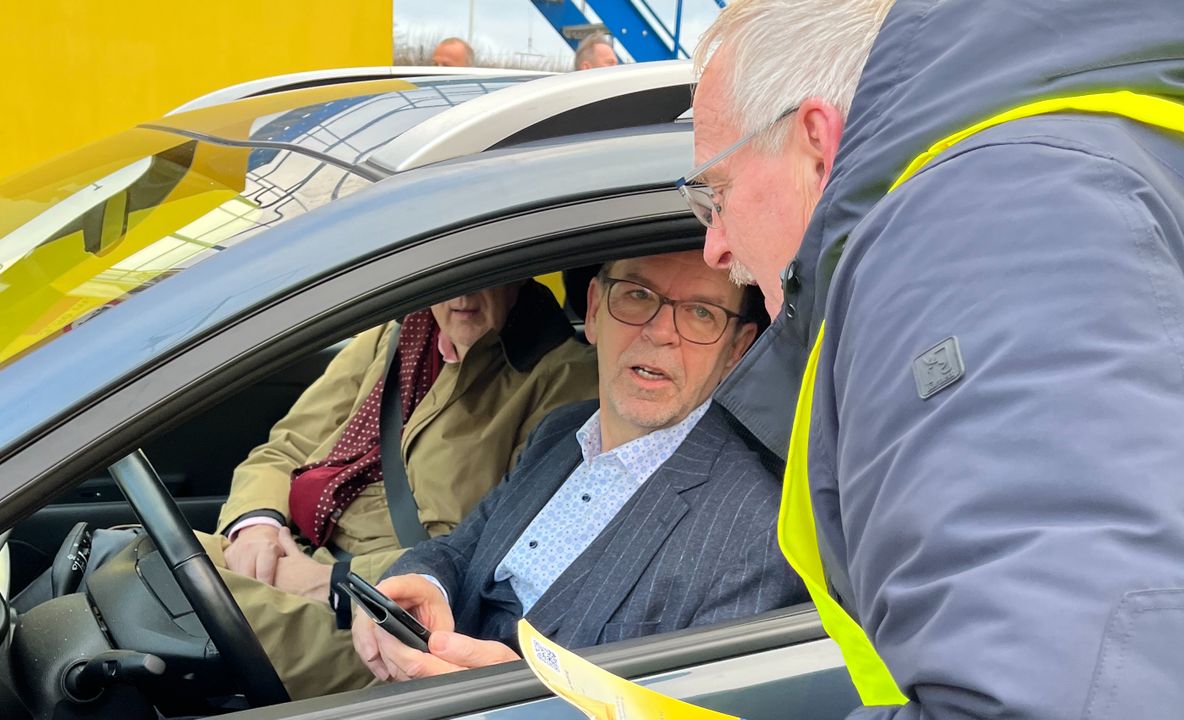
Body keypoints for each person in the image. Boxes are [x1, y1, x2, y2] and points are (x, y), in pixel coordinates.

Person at [686, 0, 1184, 718]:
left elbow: (1071, 698)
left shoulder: (986, 229)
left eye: (718, 195)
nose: (716, 246)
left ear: (817, 145)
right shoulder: (1063, 173)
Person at [295, 250, 808, 681]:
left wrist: (511, 697)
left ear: (737, 350)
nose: (660, 332)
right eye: (636, 295)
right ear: (594, 311)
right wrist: (419, 583)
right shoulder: (560, 433)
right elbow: (460, 547)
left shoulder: (760, 531)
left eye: (701, 313)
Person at [203, 279, 595, 697]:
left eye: (481, 279)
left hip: (385, 611)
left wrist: (330, 581)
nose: (461, 297)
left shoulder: (563, 377)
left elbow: (495, 544)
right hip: (295, 546)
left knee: (157, 601)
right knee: (138, 555)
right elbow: (288, 446)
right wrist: (256, 526)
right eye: (450, 277)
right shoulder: (391, 339)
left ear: (516, 273)